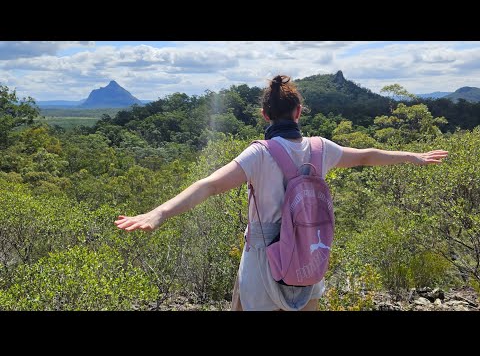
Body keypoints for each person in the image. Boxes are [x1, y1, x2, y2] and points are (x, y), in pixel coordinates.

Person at [115, 75, 448, 311]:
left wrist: (160, 212)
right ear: (298, 112)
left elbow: (210, 185)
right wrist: (411, 156)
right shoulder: (322, 149)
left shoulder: (259, 153)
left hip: (263, 258)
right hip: (309, 255)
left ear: (265, 116)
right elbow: (365, 154)